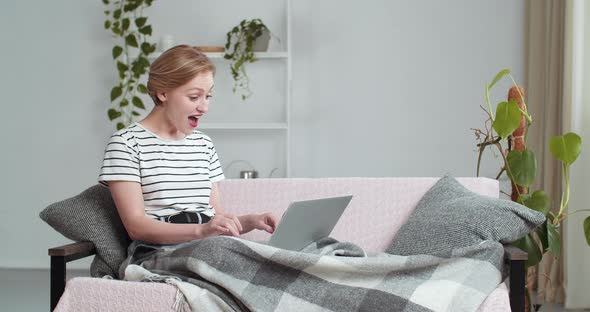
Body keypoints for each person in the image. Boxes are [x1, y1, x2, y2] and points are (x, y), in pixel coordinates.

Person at [98, 45, 277, 245]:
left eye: (208, 96)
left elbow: (216, 223)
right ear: (162, 93)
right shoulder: (126, 144)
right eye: (194, 97)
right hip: (158, 252)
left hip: (208, 247)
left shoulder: (204, 144)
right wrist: (201, 231)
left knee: (276, 259)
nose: (204, 107)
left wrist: (253, 220)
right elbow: (136, 227)